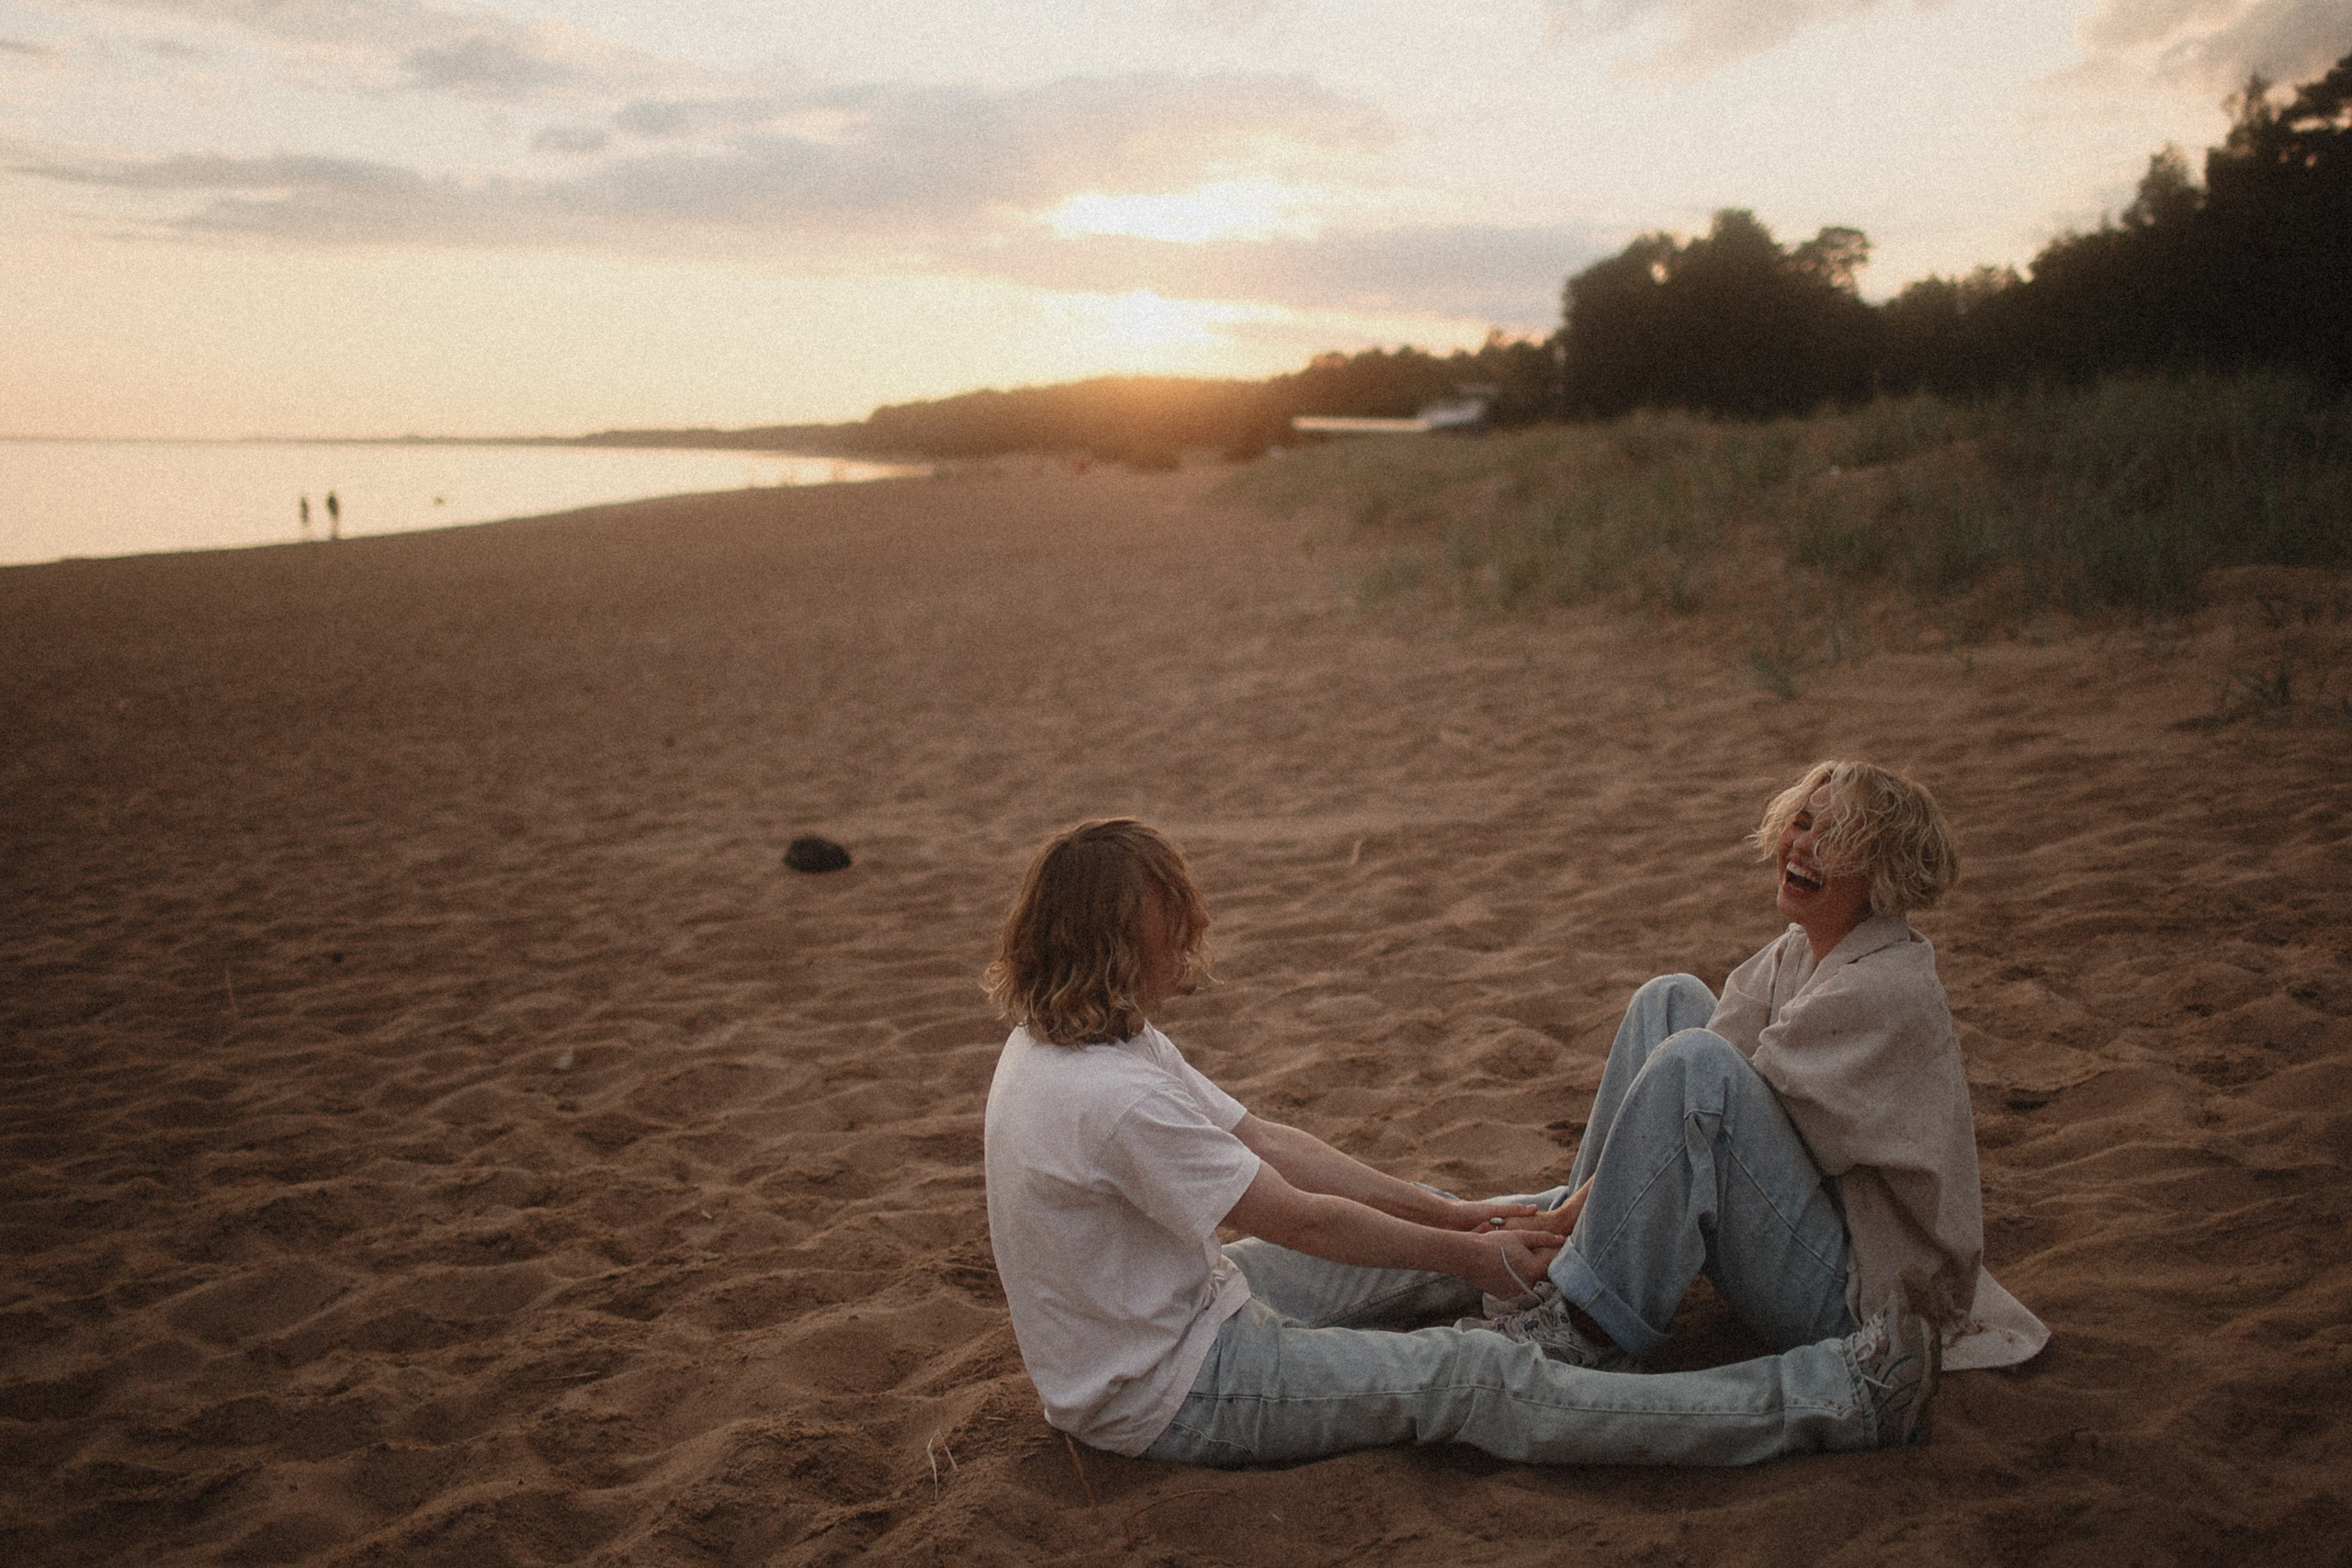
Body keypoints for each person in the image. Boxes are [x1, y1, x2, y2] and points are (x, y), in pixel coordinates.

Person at [980, 818, 1941, 1471]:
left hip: (1191, 1296)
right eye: (1166, 937)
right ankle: (1839, 1397)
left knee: (1477, 1218)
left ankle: (1578, 1267)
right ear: (1114, 946)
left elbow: (1268, 1139)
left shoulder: (1086, 1032)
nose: (1183, 958)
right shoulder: (1105, 1097)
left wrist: (1459, 1215)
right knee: (1470, 1375)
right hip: (1173, 1385)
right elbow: (1301, 1216)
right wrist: (1462, 1252)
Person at [1461, 761, 2047, 1375]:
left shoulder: (1883, 987)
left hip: (1856, 1298)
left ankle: (1589, 1323)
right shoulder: (1801, 947)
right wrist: (1568, 1220)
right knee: (1669, 1001)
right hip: (1813, 1222)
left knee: (1697, 1065)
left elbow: (1707, 1098)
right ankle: (1564, 1263)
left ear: (1884, 874)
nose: (1802, 845)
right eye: (1801, 822)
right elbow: (1714, 1059)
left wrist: (1563, 1210)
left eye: (1837, 838)